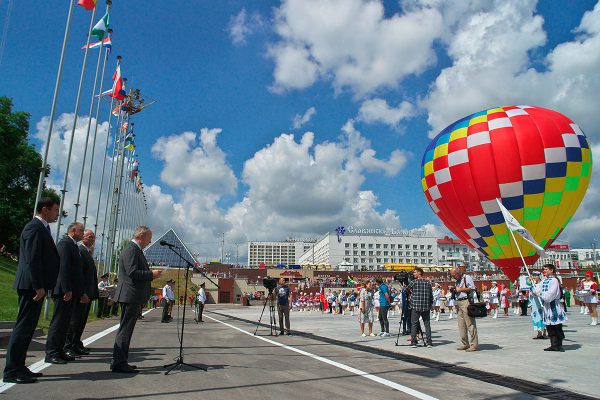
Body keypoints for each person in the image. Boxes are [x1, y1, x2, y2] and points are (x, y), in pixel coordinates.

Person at [3, 197, 60, 384]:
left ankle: (20, 365)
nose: (57, 214)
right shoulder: (33, 228)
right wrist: (38, 286)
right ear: (45, 209)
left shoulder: (41, 228)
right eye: (55, 210)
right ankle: (11, 370)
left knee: (28, 329)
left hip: (36, 286)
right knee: (23, 328)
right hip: (31, 287)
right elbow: (32, 259)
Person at [110, 226, 159, 373]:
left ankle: (120, 360)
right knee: (125, 330)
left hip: (131, 295)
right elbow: (132, 272)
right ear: (141, 236)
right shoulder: (132, 249)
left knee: (126, 329)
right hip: (130, 295)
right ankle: (119, 362)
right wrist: (151, 274)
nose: (150, 242)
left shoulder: (133, 249)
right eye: (149, 238)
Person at [45, 221, 86, 364]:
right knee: (58, 322)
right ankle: (51, 352)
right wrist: (66, 289)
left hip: (71, 291)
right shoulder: (65, 244)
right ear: (73, 231)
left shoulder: (73, 246)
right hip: (64, 291)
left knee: (65, 323)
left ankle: (59, 350)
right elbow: (63, 268)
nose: (83, 233)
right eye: (81, 230)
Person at [65, 229, 99, 356]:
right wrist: (82, 292)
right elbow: (80, 275)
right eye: (89, 237)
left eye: (93, 237)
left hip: (87, 293)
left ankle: (75, 343)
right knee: (74, 321)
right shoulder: (80, 250)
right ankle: (69, 345)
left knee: (81, 321)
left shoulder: (86, 252)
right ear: (83, 237)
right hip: (81, 293)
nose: (92, 239)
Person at [533, 264, 567, 352]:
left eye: (546, 269)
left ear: (551, 270)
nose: (544, 271)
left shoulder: (554, 280)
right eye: (544, 269)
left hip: (553, 305)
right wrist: (535, 288)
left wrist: (540, 294)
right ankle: (553, 344)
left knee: (557, 326)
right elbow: (537, 290)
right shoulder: (544, 281)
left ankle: (559, 345)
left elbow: (550, 294)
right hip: (547, 306)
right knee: (549, 326)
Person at [450, 266, 479, 351]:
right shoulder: (457, 281)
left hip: (466, 301)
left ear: (458, 273)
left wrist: (461, 289)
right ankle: (464, 343)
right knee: (461, 324)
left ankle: (474, 345)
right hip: (459, 302)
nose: (453, 277)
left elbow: (472, 288)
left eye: (453, 275)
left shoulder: (467, 278)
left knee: (470, 323)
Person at [408, 267, 433, 348]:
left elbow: (406, 290)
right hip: (426, 306)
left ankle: (414, 342)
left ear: (419, 273)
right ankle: (429, 342)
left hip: (416, 305)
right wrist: (430, 305)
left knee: (414, 324)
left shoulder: (414, 282)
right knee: (427, 324)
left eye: (415, 272)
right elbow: (431, 295)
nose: (413, 274)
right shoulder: (428, 282)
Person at [529, 272, 547, 339]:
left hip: (541, 301)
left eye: (535, 276)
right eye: (533, 276)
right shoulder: (533, 285)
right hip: (535, 302)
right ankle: (539, 333)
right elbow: (530, 294)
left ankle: (544, 332)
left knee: (542, 316)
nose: (534, 277)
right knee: (536, 316)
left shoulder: (542, 284)